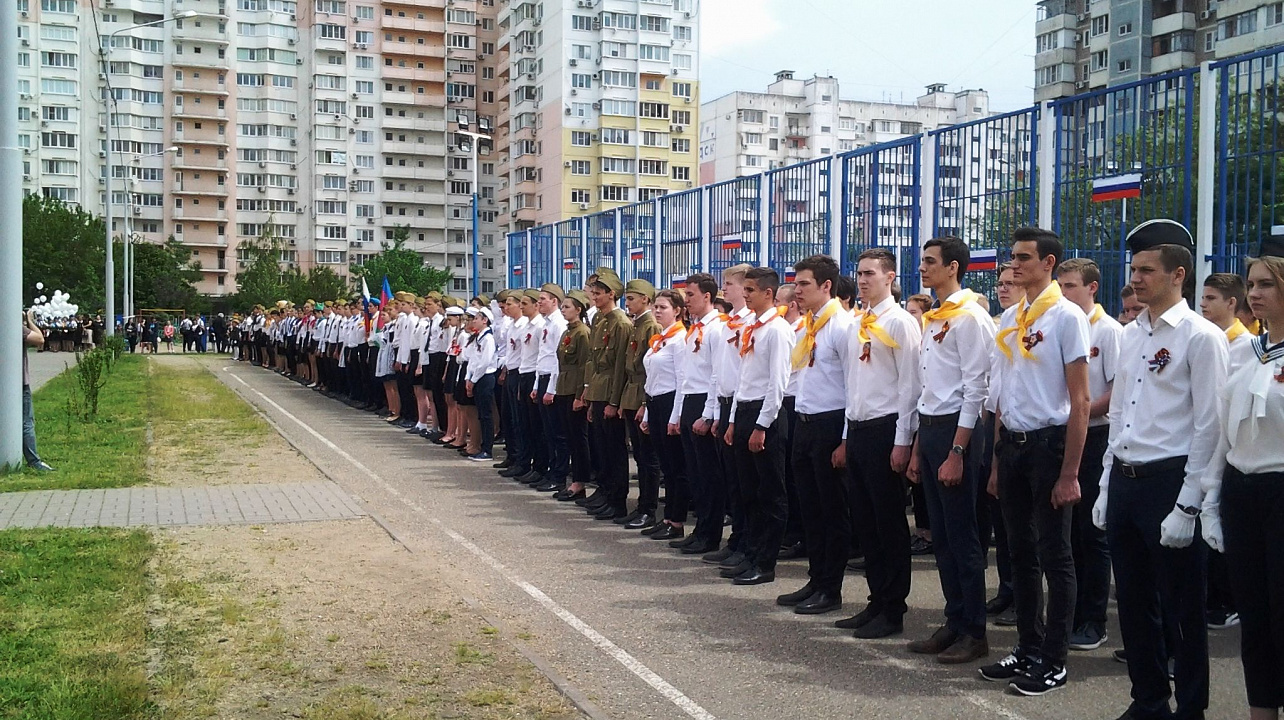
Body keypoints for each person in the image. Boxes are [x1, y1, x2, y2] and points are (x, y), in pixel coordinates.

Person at [1093, 219, 1225, 720]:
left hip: (1170, 482)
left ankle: (1191, 708)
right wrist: (1106, 484)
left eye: (1147, 269)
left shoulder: (1201, 337)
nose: (1136, 278)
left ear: (1179, 275)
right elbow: (1122, 413)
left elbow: (1208, 425)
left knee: (1183, 611)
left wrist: (1190, 503)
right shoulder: (1132, 334)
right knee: (1132, 602)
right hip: (1127, 478)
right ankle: (1148, 700)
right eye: (1133, 269)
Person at [980, 228, 1090, 696]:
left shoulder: (1067, 318)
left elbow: (1080, 400)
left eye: (1024, 258)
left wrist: (1069, 472)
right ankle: (1027, 646)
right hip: (1015, 445)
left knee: (1055, 554)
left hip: (1049, 446)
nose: (1015, 265)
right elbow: (1003, 394)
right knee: (1018, 552)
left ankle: (1054, 659)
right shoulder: (1010, 317)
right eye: (1012, 257)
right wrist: (998, 461)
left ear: (1048, 264)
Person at [1200, 239, 1284, 720]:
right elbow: (1222, 430)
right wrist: (1211, 497)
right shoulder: (1244, 350)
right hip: (1242, 489)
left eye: (1266, 284)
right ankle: (1261, 712)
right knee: (1253, 615)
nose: (1254, 293)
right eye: (1251, 284)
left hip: (1280, 489)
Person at [906, 235, 994, 665]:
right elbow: (928, 387)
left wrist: (957, 450)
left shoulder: (970, 318)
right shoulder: (936, 317)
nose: (923, 268)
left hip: (959, 431)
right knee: (941, 534)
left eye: (930, 262)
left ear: (954, 268)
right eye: (922, 261)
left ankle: (975, 630)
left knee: (963, 535)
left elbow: (976, 386)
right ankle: (954, 619)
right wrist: (923, 444)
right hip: (934, 427)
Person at [834, 248, 921, 637]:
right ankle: (875, 600)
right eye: (860, 273)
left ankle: (893, 607)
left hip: (888, 429)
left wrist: (903, 440)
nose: (863, 280)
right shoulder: (857, 324)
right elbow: (853, 385)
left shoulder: (900, 322)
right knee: (865, 523)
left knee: (888, 523)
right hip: (860, 428)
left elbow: (910, 385)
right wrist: (847, 436)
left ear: (890, 277)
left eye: (871, 273)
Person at [775, 254, 855, 614]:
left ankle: (831, 588)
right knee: (810, 509)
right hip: (805, 422)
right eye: (795, 282)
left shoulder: (842, 326)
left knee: (832, 510)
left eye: (804, 283)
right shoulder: (809, 324)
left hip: (830, 424)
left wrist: (844, 439)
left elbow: (854, 386)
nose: (796, 290)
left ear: (826, 286)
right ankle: (816, 579)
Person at [1056, 258, 1123, 653]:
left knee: (1092, 533)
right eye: (1060, 286)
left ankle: (1093, 620)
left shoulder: (1109, 331)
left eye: (1070, 286)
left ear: (1092, 288)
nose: (1064, 293)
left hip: (1095, 434)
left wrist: (1081, 412)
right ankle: (1071, 611)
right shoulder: (1062, 323)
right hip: (1065, 433)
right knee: (1068, 533)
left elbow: (1116, 388)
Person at [719, 266, 794, 585]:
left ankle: (765, 561)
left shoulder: (777, 329)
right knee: (748, 490)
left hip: (767, 416)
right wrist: (735, 420)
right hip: (745, 409)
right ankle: (750, 552)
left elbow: (777, 383)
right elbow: (744, 379)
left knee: (769, 494)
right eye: (744, 289)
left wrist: (762, 426)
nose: (744, 295)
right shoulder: (753, 326)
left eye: (750, 291)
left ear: (768, 294)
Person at [669, 273, 729, 556]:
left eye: (691, 295)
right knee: (695, 474)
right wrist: (679, 412)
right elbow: (685, 375)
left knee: (709, 475)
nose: (686, 300)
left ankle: (711, 533)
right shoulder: (694, 327)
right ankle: (701, 530)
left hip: (706, 401)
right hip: (691, 400)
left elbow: (716, 374)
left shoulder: (716, 328)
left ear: (707, 296)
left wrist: (709, 414)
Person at [706, 264, 754, 568]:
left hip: (742, 404)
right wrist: (714, 411)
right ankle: (737, 538)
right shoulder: (727, 323)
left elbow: (744, 373)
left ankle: (748, 542)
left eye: (731, 284)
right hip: (725, 403)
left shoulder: (751, 322)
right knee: (732, 481)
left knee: (746, 482)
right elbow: (717, 371)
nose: (725, 289)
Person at [580, 268, 633, 520]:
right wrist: (590, 397)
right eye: (593, 293)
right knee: (602, 448)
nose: (594, 297)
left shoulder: (621, 323)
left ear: (612, 294)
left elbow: (620, 365)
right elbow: (593, 361)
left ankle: (617, 500)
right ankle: (605, 492)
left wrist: (614, 401)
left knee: (614, 450)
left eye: (598, 293)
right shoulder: (601, 320)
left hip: (610, 391)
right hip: (598, 391)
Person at [639, 289, 690, 539]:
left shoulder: (680, 339)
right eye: (656, 307)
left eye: (664, 307)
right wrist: (648, 412)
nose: (657, 311)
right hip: (656, 402)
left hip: (671, 402)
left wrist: (675, 416)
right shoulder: (661, 338)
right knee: (666, 466)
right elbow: (652, 378)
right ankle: (668, 516)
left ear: (678, 311)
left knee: (675, 466)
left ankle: (677, 520)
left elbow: (682, 379)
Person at [621, 279, 663, 527]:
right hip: (632, 391)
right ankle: (641, 506)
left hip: (643, 394)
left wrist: (645, 404)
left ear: (645, 300)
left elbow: (651, 370)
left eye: (631, 298)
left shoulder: (651, 327)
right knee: (639, 454)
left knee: (648, 457)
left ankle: (649, 507)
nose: (627, 303)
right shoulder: (638, 325)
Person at [553, 291, 592, 502]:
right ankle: (574, 480)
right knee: (568, 436)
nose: (563, 309)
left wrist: (580, 395)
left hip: (575, 390)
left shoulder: (583, 333)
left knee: (579, 438)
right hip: (564, 388)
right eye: (563, 306)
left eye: (567, 306)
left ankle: (580, 481)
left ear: (579, 309)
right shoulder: (568, 332)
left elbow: (585, 366)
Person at [533, 284, 569, 493]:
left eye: (543, 299)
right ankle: (550, 471)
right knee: (547, 431)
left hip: (553, 380)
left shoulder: (559, 324)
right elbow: (542, 356)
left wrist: (551, 389)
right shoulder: (547, 323)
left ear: (554, 300)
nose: (540, 303)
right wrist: (538, 385)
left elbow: (558, 359)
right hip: (544, 377)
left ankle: (559, 475)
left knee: (557, 433)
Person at [1202, 272, 1255, 375]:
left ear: (1231, 302)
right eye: (1203, 298)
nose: (1202, 304)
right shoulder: (1199, 337)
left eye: (1210, 298)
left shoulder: (1249, 345)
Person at [465, 307, 500, 461]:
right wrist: (468, 377)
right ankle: (481, 446)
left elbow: (485, 362)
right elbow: (472, 360)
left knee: (486, 415)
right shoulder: (478, 337)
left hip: (485, 377)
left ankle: (487, 449)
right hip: (477, 377)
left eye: (477, 318)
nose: (474, 321)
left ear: (485, 320)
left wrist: (473, 379)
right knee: (481, 414)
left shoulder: (488, 339)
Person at [22, 309, 54, 472]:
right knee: (26, 422)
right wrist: (29, 320)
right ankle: (34, 461)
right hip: (20, 383)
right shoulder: (14, 327)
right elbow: (39, 339)